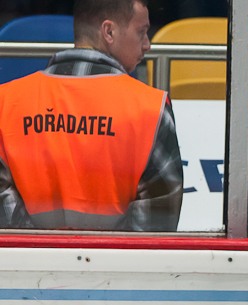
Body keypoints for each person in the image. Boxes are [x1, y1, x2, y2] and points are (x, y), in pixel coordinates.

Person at [0, 0, 183, 230]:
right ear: (109, 32)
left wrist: (39, 245)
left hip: (21, 254)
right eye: (141, 32)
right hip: (119, 255)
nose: (147, 45)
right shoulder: (152, 109)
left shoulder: (6, 102)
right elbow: (158, 223)